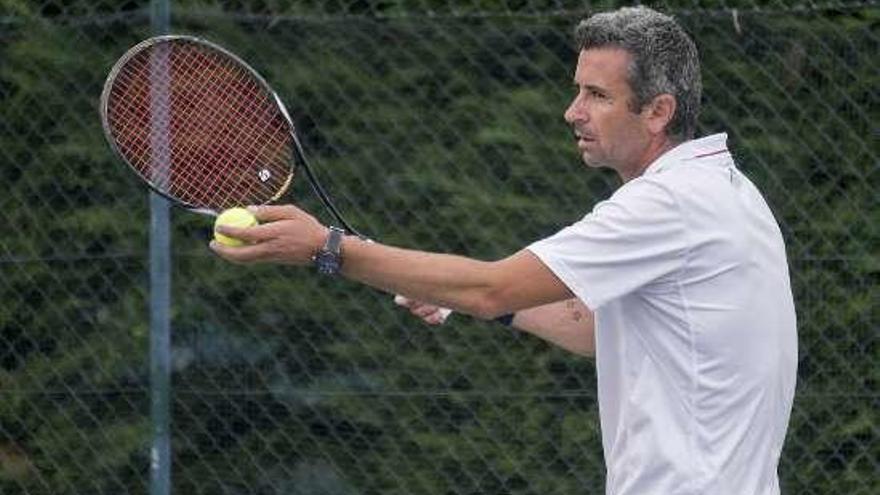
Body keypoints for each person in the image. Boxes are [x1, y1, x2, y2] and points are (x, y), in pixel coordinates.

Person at [211, 6, 798, 494]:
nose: (573, 112)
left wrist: (328, 248)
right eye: (577, 91)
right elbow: (594, 328)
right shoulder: (726, 188)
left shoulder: (667, 204)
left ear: (658, 112)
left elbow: (492, 287)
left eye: (597, 95)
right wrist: (461, 298)